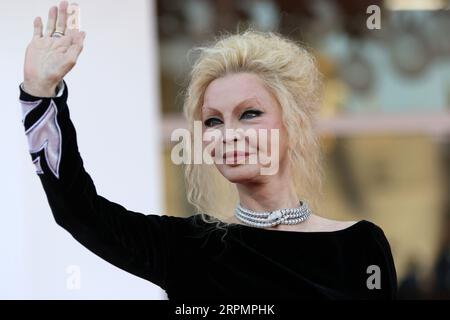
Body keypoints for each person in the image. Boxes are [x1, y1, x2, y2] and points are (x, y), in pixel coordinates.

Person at [19, 1, 397, 299]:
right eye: (213, 121)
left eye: (249, 114)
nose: (228, 133)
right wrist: (39, 93)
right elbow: (77, 211)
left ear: (293, 123)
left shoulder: (360, 247)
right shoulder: (187, 251)